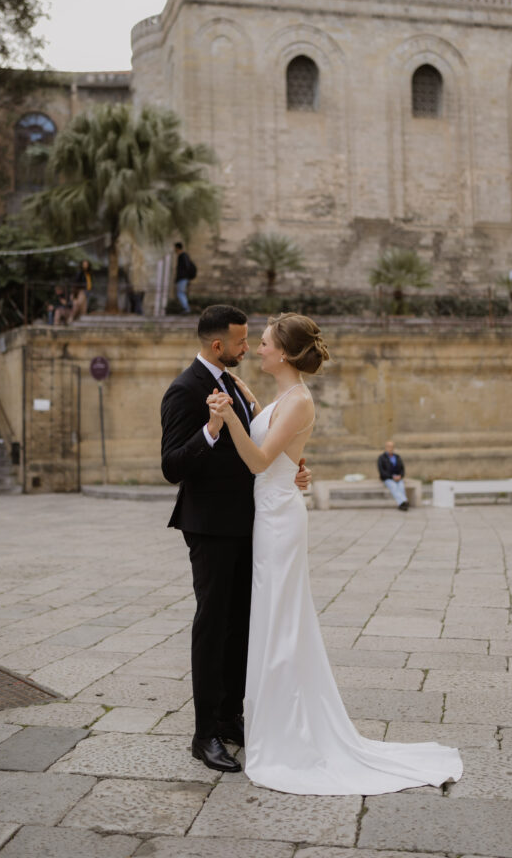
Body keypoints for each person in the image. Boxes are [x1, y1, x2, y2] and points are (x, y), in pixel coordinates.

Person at [207, 313, 462, 795]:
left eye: (262, 343)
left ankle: (290, 731)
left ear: (283, 352)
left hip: (280, 519)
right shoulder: (282, 398)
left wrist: (225, 421)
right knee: (272, 617)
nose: (257, 349)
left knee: (282, 619)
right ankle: (272, 720)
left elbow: (260, 461)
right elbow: (277, 441)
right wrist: (245, 400)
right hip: (272, 512)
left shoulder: (300, 401)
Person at [160, 304, 311, 774]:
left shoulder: (233, 385)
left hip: (251, 523)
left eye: (254, 341)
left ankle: (230, 717)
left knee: (239, 626)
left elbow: (263, 441)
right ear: (218, 344)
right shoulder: (184, 390)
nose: (249, 348)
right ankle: (203, 734)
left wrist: (293, 470)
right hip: (209, 526)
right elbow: (171, 466)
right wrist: (209, 430)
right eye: (242, 342)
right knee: (212, 626)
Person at [378, 440, 409, 511]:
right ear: (386, 447)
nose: (390, 448)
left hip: (398, 477)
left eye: (392, 446)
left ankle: (402, 503)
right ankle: (404, 501)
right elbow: (382, 471)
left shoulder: (397, 457)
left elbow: (402, 469)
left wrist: (400, 476)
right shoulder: (382, 458)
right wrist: (392, 477)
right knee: (393, 486)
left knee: (401, 486)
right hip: (387, 478)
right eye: (388, 446)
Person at [174, 242, 193, 315]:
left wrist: (182, 277)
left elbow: (185, 267)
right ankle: (186, 308)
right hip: (183, 278)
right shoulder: (183, 256)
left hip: (182, 278)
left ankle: (186, 308)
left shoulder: (183, 256)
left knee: (180, 293)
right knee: (181, 292)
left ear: (177, 248)